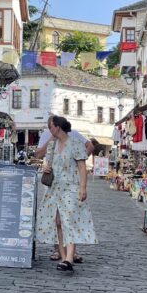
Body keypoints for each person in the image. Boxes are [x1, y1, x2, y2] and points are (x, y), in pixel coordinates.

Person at [38, 116, 96, 274]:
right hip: (54, 188)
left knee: (68, 220)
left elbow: (82, 167)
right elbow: (45, 161)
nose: (49, 131)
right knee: (57, 221)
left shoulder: (75, 144)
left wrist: (83, 188)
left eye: (51, 127)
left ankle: (69, 258)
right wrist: (45, 167)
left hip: (71, 187)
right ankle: (64, 257)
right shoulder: (52, 145)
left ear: (57, 127)